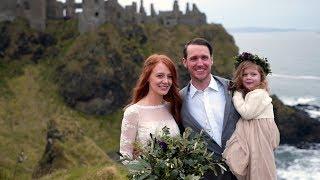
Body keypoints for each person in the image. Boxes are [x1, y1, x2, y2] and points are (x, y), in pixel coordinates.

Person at [180, 37, 240, 180]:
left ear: (211, 60)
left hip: (243, 173)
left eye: (204, 58)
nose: (200, 63)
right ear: (185, 62)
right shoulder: (178, 101)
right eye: (193, 58)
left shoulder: (234, 88)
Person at [222, 52, 280, 180]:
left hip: (258, 134)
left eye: (253, 74)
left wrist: (236, 94)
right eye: (245, 74)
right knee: (256, 166)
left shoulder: (258, 93)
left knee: (258, 168)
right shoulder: (254, 93)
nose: (249, 77)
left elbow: (246, 113)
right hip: (256, 132)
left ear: (261, 77)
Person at [119, 54, 182, 159]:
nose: (166, 81)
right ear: (148, 77)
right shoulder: (133, 112)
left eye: (169, 76)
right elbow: (125, 155)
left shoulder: (171, 107)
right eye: (160, 76)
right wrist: (146, 173)